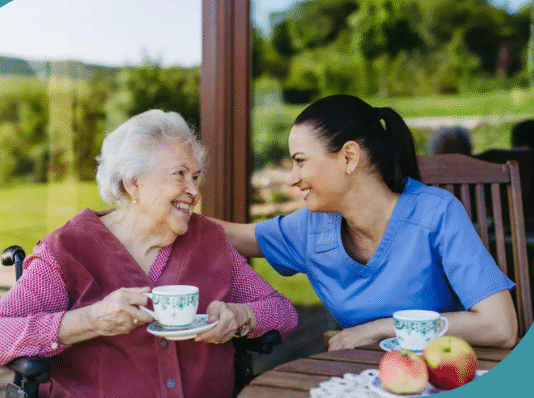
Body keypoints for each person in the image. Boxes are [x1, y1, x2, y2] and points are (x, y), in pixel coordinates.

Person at [0, 110, 298, 398]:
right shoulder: (68, 250)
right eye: (179, 175)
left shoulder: (208, 239)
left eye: (196, 177)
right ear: (132, 183)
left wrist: (241, 317)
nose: (194, 191)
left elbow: (282, 312)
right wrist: (89, 321)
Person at [212, 94, 518, 352]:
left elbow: (499, 325)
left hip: (442, 378)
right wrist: (170, 202)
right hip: (362, 379)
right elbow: (225, 235)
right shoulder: (311, 228)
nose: (292, 178)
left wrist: (380, 329)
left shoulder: (435, 213)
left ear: (348, 157)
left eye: (301, 161)